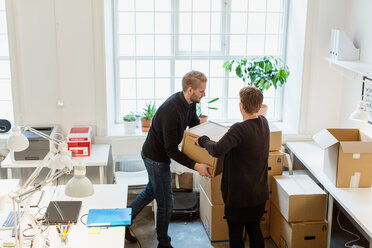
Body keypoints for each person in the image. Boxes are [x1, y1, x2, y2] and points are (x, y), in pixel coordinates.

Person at [125, 71, 213, 248]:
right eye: (202, 91)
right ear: (190, 89)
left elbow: (194, 125)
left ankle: (124, 221)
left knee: (151, 191)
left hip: (158, 155)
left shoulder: (190, 103)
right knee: (166, 202)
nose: (204, 94)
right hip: (155, 158)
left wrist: (211, 139)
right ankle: (163, 243)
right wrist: (196, 165)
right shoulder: (171, 110)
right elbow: (171, 150)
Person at [196, 86, 269, 248]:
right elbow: (245, 139)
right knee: (255, 229)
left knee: (235, 233)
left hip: (239, 196)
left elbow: (216, 150)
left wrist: (203, 140)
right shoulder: (263, 123)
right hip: (259, 192)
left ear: (241, 105)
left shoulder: (239, 129)